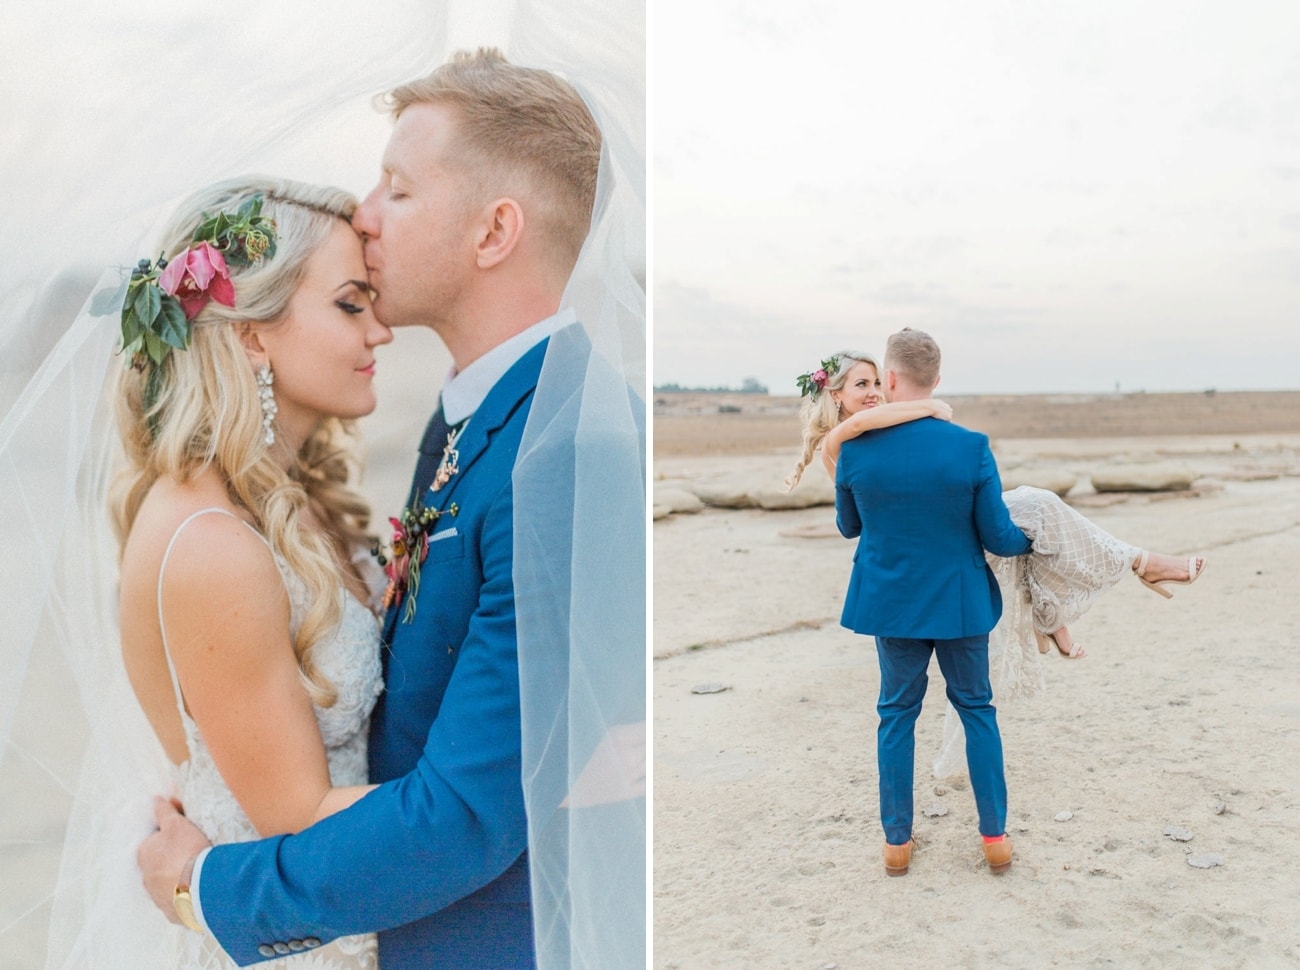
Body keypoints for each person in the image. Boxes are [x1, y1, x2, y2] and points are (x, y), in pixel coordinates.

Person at [136, 48, 645, 970]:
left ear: (494, 232)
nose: (363, 213)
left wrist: (208, 888)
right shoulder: (475, 417)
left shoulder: (571, 444)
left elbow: (467, 811)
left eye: (398, 189)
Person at [112, 177, 391, 969]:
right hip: (303, 943)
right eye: (349, 303)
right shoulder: (211, 541)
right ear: (252, 334)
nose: (382, 331)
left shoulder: (279, 500)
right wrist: (527, 791)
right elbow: (299, 817)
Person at [792, 349, 1207, 662]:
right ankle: (1137, 566)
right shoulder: (843, 438)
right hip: (919, 535)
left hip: (924, 526)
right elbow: (862, 428)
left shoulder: (875, 433)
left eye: (878, 383)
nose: (874, 393)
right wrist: (929, 406)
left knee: (1032, 518)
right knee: (1033, 509)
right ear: (835, 393)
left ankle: (1062, 614)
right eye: (862, 385)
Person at [834, 328, 1035, 876]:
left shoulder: (853, 449)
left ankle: (896, 843)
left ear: (891, 379)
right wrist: (1031, 541)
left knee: (896, 714)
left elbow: (849, 527)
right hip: (959, 603)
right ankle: (994, 838)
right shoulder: (970, 446)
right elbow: (998, 536)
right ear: (936, 381)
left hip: (892, 604)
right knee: (977, 710)